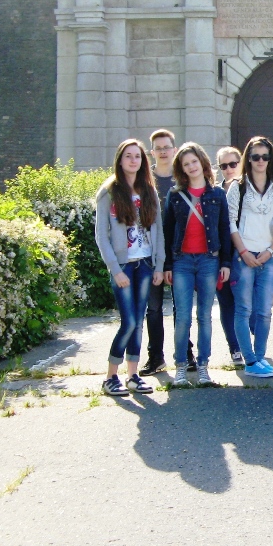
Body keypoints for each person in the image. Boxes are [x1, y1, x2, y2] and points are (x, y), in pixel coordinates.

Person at [94, 139, 166, 396]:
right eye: (128, 156)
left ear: (143, 161)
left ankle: (133, 376)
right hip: (123, 266)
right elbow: (101, 236)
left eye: (137, 156)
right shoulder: (109, 192)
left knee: (138, 322)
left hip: (145, 264)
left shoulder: (149, 191)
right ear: (120, 160)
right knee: (129, 321)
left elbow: (158, 231)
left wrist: (159, 265)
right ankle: (110, 377)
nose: (133, 160)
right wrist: (115, 269)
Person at [163, 142, 232, 388]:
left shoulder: (217, 195)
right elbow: (167, 231)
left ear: (202, 163)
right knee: (182, 316)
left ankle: (203, 368)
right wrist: (167, 265)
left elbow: (224, 229)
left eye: (194, 161)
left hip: (208, 260)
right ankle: (181, 367)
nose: (191, 167)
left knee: (204, 315)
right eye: (186, 164)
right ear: (181, 169)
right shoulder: (175, 195)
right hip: (181, 261)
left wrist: (225, 262)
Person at [227, 136, 273, 380]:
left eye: (265, 156)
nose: (261, 161)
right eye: (256, 157)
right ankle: (250, 360)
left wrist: (271, 250)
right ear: (249, 159)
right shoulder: (238, 186)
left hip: (267, 256)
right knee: (244, 310)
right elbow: (230, 221)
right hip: (243, 256)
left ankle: (260, 357)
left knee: (264, 311)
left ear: (271, 158)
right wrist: (243, 252)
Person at [141, 128, 191, 375]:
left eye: (166, 147)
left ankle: (186, 354)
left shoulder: (183, 180)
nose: (163, 152)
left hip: (179, 252)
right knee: (153, 308)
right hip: (150, 254)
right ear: (152, 152)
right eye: (158, 148)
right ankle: (155, 357)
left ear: (174, 150)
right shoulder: (143, 181)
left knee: (181, 307)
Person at [214, 146, 245, 367]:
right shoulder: (215, 193)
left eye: (233, 164)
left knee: (249, 303)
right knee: (226, 303)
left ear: (241, 163)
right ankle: (234, 348)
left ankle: (250, 343)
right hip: (221, 255)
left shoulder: (249, 189)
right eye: (223, 166)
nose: (228, 169)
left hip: (246, 253)